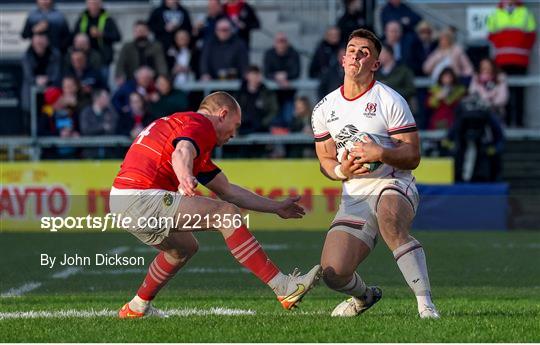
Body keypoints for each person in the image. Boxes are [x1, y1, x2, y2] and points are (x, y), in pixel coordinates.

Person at [110, 91, 321, 318]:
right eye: (235, 124)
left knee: (183, 249)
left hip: (122, 201)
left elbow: (228, 191)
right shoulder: (201, 123)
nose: (234, 134)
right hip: (140, 196)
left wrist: (276, 207)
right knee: (226, 215)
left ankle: (136, 307)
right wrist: (184, 175)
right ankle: (284, 287)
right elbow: (181, 152)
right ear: (222, 114)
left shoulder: (186, 128)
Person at [311, 28, 439, 318]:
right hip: (354, 193)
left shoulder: (390, 100)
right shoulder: (323, 108)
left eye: (365, 52)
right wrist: (339, 170)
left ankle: (425, 304)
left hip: (393, 182)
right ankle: (364, 297)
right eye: (352, 49)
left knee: (390, 218)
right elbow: (325, 160)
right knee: (333, 272)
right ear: (343, 60)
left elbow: (413, 155)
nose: (356, 54)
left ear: (375, 65)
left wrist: (380, 153)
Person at [487, 0, 536, 127]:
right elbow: (491, 34)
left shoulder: (525, 12)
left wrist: (521, 47)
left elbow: (532, 35)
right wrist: (502, 44)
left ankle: (519, 123)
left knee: (519, 93)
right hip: (502, 60)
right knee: (504, 93)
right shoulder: (496, 13)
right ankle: (506, 122)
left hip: (520, 60)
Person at [73, 0, 122, 82]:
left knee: (102, 84)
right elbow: (74, 35)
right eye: (91, 3)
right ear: (87, 4)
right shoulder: (82, 19)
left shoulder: (107, 19)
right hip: (85, 60)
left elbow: (117, 37)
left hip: (103, 59)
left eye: (96, 3)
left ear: (100, 4)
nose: (93, 6)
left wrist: (102, 34)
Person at [263, 32, 301, 127]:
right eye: (278, 41)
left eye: (283, 41)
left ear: (287, 42)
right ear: (274, 43)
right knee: (274, 121)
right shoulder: (269, 54)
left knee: (288, 120)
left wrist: (286, 76)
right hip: (273, 96)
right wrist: (277, 77)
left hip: (288, 94)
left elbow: (296, 72)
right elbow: (266, 72)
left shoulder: (294, 53)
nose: (281, 43)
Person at [115, 20, 169, 85]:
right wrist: (119, 76)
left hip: (152, 81)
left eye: (143, 31)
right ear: (134, 32)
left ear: (148, 32)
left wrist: (162, 76)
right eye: (137, 31)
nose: (140, 33)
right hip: (131, 80)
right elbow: (120, 64)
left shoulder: (156, 46)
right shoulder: (127, 47)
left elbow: (161, 64)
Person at [21, 32, 62, 113]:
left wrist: (48, 79)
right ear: (33, 43)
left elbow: (56, 74)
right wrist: (36, 80)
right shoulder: (26, 56)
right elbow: (28, 75)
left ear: (47, 42)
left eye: (41, 43)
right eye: (37, 43)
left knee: (50, 115)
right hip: (31, 93)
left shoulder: (55, 55)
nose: (39, 45)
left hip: (50, 91)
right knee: (31, 117)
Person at [235, 65, 278, 135]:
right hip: (244, 128)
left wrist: (263, 122)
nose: (255, 78)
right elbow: (235, 110)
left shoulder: (267, 93)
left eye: (257, 75)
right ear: (247, 76)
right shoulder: (240, 94)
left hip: (262, 128)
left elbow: (273, 110)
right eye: (253, 75)